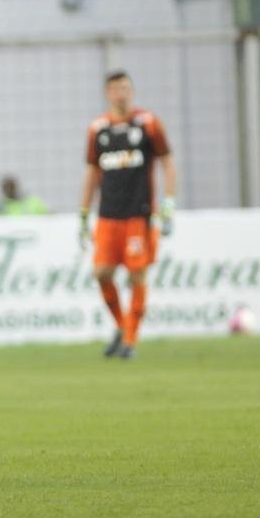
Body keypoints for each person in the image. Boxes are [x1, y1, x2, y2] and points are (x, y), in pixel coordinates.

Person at [79, 69, 176, 360]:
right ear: (107, 94)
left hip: (139, 214)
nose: (120, 93)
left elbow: (167, 162)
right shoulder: (98, 128)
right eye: (115, 88)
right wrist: (84, 212)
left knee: (137, 274)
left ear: (132, 91)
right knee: (101, 273)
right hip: (108, 215)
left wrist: (168, 203)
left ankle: (130, 340)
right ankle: (122, 326)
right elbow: (92, 172)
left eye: (125, 87)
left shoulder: (148, 123)